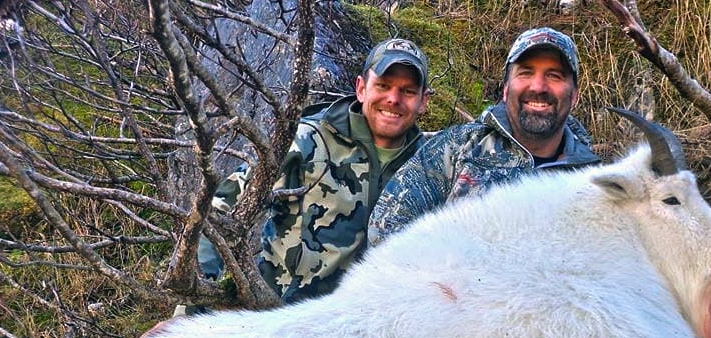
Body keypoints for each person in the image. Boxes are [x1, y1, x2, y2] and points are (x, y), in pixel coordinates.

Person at [200, 38, 431, 303]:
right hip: (278, 319)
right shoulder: (305, 139)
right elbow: (219, 210)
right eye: (383, 85)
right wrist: (192, 306)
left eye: (408, 91)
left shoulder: (430, 166)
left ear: (423, 101)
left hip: (369, 331)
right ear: (361, 88)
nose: (393, 99)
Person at [368, 27, 599, 246]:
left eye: (555, 76)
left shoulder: (592, 183)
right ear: (506, 89)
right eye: (526, 72)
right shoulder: (455, 150)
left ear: (574, 95)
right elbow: (385, 231)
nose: (538, 86)